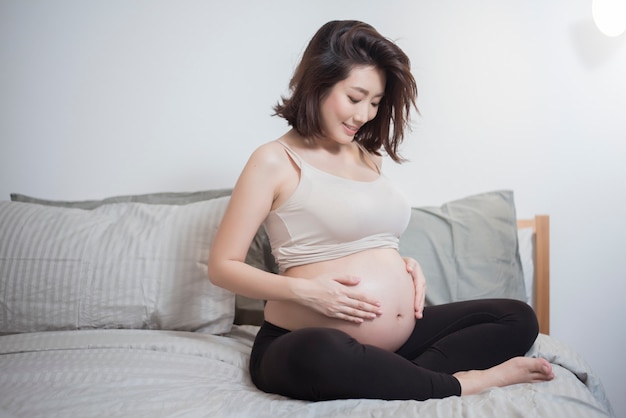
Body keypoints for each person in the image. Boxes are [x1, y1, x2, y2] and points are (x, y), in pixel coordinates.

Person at [208, 20, 554, 402]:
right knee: (323, 354)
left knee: (517, 318)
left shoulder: (367, 156)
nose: (364, 115)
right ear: (319, 82)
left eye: (375, 103)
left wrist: (403, 265)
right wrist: (306, 292)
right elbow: (223, 266)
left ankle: (400, 376)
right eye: (355, 98)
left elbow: (364, 239)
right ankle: (464, 382)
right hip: (301, 342)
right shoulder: (274, 160)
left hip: (396, 340)